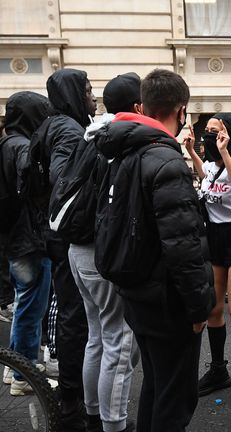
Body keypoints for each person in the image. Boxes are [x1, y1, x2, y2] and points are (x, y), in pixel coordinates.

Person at [93, 68, 214, 432]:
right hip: (166, 300)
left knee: (157, 385)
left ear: (144, 106)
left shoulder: (124, 151)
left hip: (137, 290)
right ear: (181, 111)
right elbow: (183, 245)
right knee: (175, 397)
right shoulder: (165, 159)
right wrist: (199, 306)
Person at [73, 72, 142, 432]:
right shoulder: (118, 141)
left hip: (77, 249)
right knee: (119, 339)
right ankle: (113, 424)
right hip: (101, 253)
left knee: (97, 336)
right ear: (136, 106)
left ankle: (92, 413)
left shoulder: (91, 135)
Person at [184, 113, 231, 401]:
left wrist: (226, 151)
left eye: (216, 132)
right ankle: (219, 370)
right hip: (215, 240)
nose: (209, 137)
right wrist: (191, 151)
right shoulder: (214, 167)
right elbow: (207, 178)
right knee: (213, 310)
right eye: (208, 132)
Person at [45, 67, 97, 429]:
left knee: (72, 314)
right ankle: (70, 399)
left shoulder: (53, 124)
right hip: (66, 237)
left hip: (52, 233)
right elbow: (60, 178)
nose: (93, 97)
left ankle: (71, 394)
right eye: (89, 91)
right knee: (74, 317)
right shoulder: (68, 129)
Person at [0, 91, 54, 396]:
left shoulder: (6, 142)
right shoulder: (22, 147)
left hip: (14, 239)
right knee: (31, 307)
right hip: (29, 239)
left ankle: (15, 366)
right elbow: (33, 184)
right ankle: (24, 375)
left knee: (24, 304)